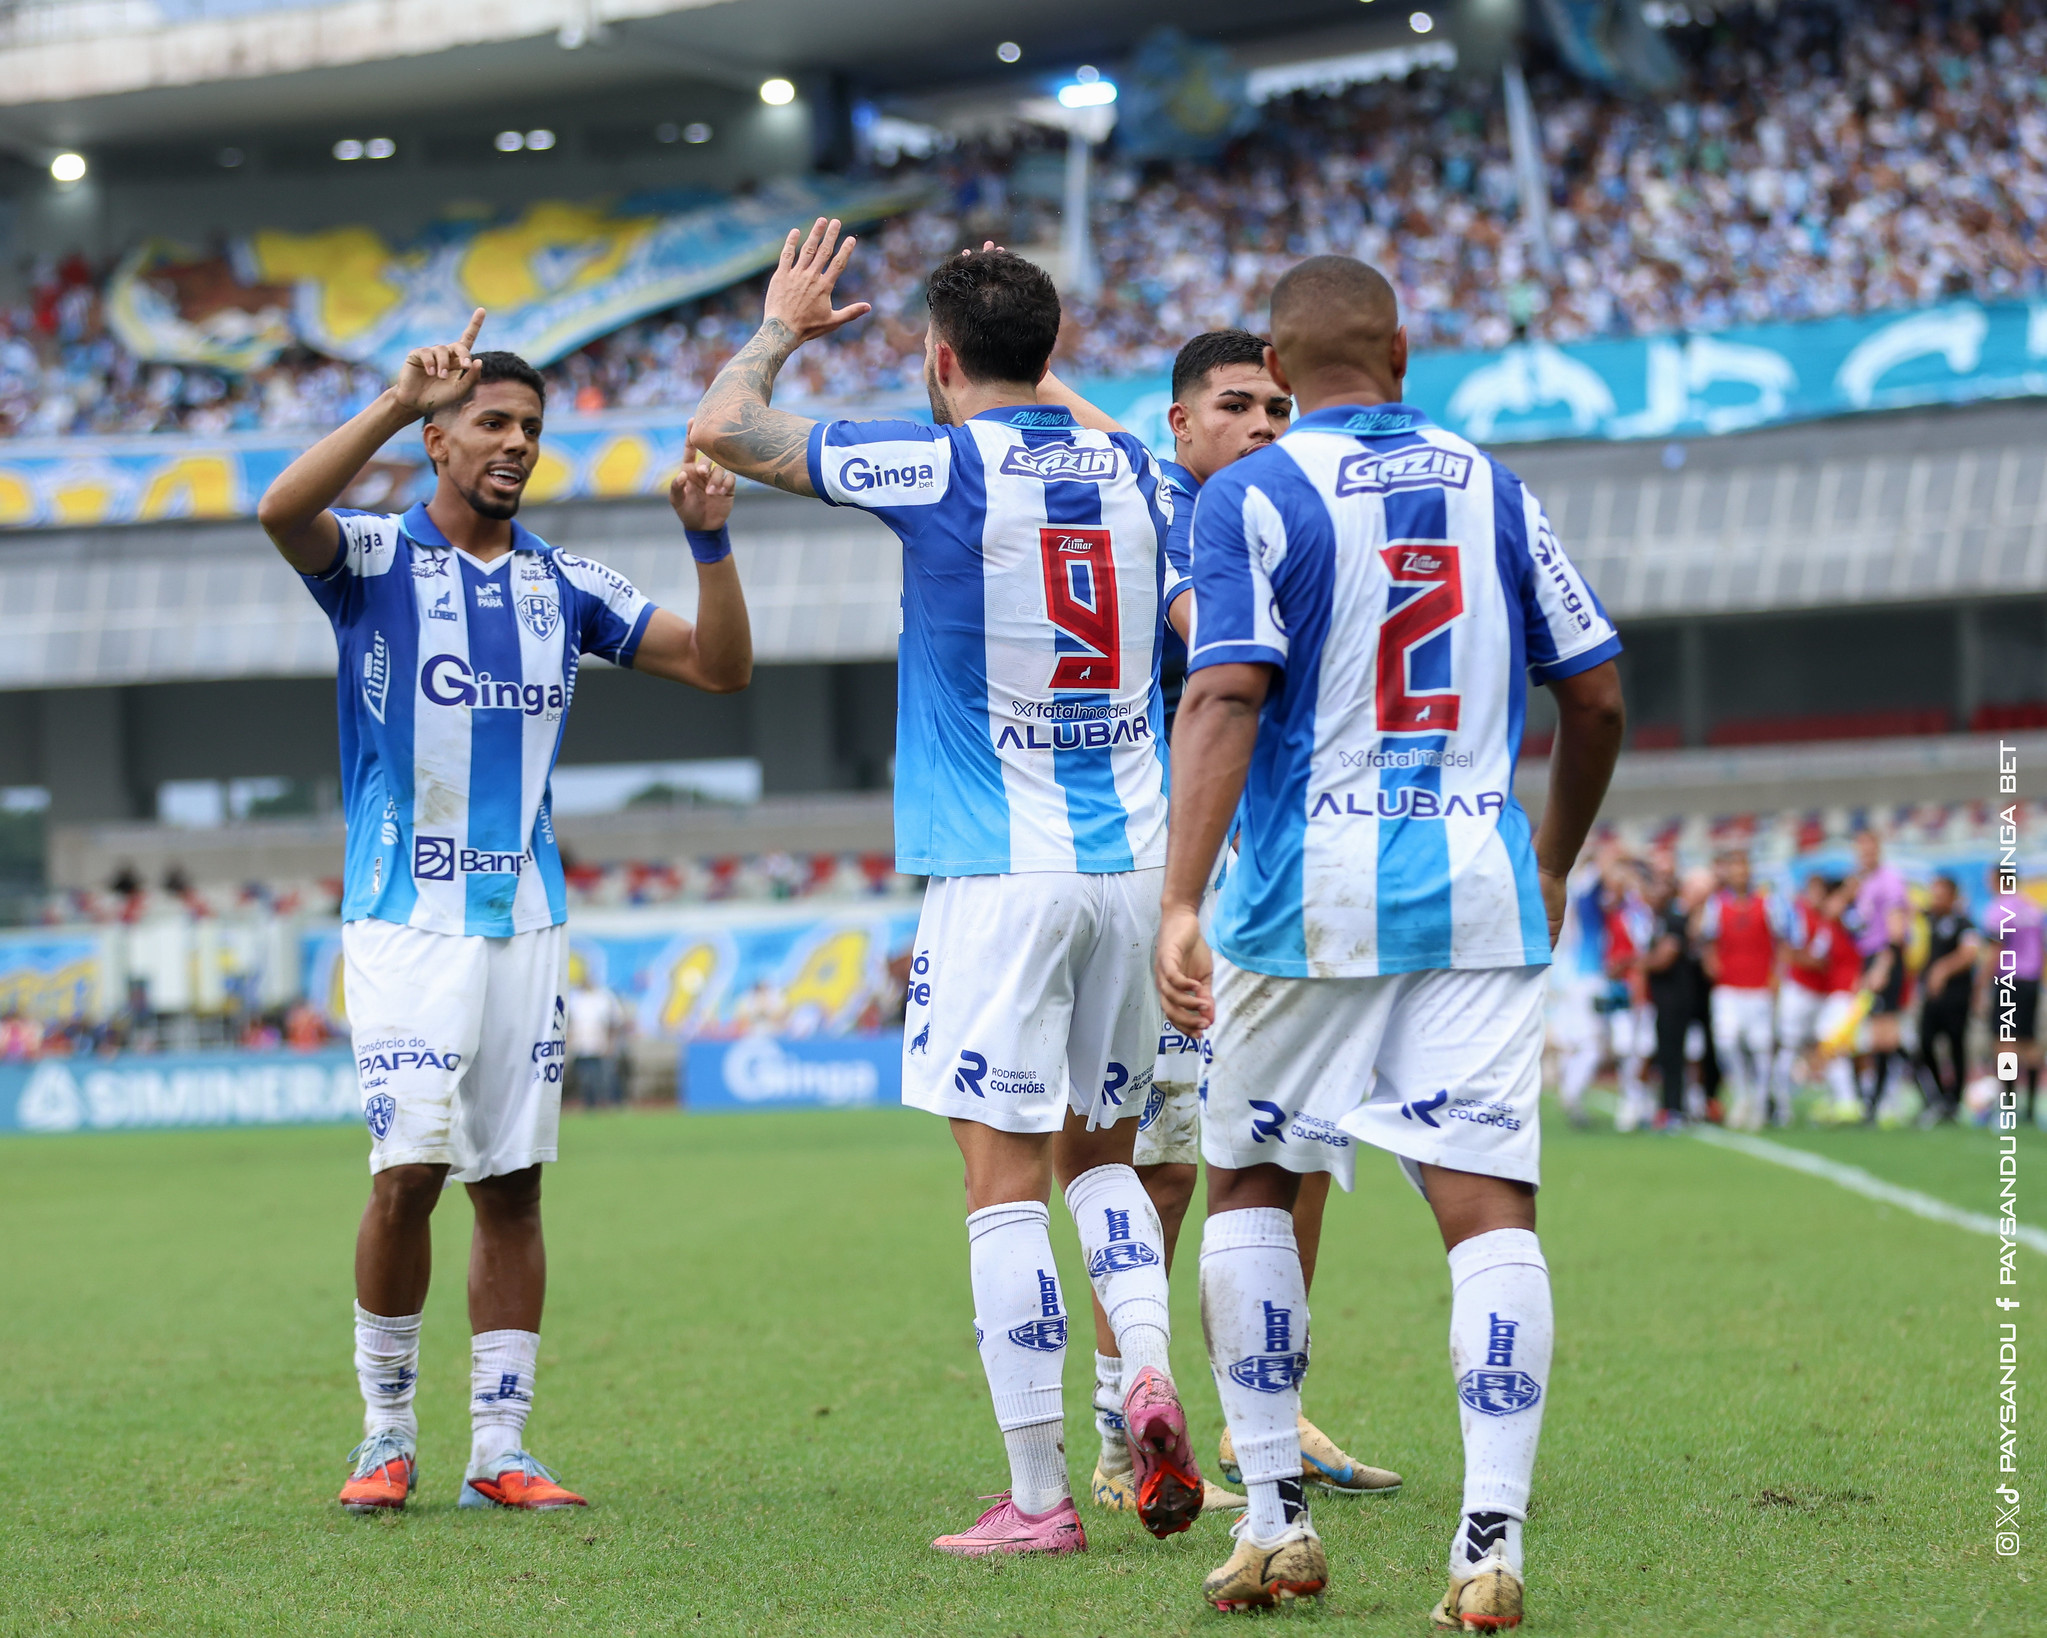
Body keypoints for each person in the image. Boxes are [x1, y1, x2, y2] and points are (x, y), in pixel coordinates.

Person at [693, 223, 1200, 1554]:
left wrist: (782, 327)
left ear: (935, 358)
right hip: (1133, 871)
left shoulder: (936, 455)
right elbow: (1070, 413)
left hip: (996, 869)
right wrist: (1039, 363)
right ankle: (1140, 1373)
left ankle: (1036, 1498)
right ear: (1049, 353)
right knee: (1104, 1163)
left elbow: (724, 427)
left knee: (996, 1183)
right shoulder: (1139, 468)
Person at [1155, 256, 1625, 1618]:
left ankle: (1273, 1520)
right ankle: (1489, 1545)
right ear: (1405, 351)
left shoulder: (1251, 490)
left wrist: (1181, 898)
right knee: (1483, 1206)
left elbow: (1225, 690)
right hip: (1474, 891)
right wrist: (1541, 857)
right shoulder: (1493, 486)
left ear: (1282, 378)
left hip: (1299, 900)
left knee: (1246, 1181)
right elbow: (1591, 699)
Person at [257, 310, 753, 1514]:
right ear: (437, 441)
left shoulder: (564, 584)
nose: (516, 443)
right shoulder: (372, 559)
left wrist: (709, 545)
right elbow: (280, 512)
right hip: (403, 915)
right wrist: (389, 400)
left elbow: (724, 668)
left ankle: (499, 1449)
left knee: (514, 1185)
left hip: (525, 916)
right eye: (491, 422)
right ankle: (383, 1435)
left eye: (529, 427)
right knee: (409, 1173)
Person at [1046, 331, 1398, 1512]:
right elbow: (1105, 430)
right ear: (1179, 427)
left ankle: (1270, 1407)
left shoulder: (1295, 519)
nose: (1261, 424)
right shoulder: (1164, 503)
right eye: (1235, 406)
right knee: (1161, 1167)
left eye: (1280, 407)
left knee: (1296, 1151)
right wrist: (1019, 348)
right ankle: (1116, 1424)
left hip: (1290, 875)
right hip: (1173, 873)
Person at [1697, 849, 1781, 1130]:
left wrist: (1778, 975)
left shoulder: (1767, 904)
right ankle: (1742, 1091)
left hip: (1758, 986)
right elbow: (1706, 939)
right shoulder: (1716, 905)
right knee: (1727, 1040)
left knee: (1760, 1047)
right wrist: (1711, 962)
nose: (1739, 873)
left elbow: (1782, 941)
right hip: (1729, 987)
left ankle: (1758, 1100)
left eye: (1743, 867)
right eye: (1734, 868)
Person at [1844, 829, 1912, 1120]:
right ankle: (1881, 1100)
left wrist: (1883, 965)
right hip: (1872, 957)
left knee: (1886, 1035)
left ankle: (1886, 1101)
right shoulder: (1865, 883)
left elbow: (1895, 931)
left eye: (1869, 850)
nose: (1865, 855)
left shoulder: (1889, 880)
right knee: (1879, 1036)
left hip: (1886, 957)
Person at [1983, 865, 2043, 1126]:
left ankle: (2008, 1107)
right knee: (2029, 1043)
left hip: (2008, 980)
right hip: (2031, 980)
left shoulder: (1999, 909)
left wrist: (1980, 985)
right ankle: (2030, 1109)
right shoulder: (2034, 909)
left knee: (2004, 1043)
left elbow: (1995, 950)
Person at [1915, 874, 1977, 1123]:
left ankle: (1954, 1101)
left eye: (1941, 894)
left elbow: (1970, 953)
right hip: (1931, 998)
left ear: (1952, 896)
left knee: (1955, 1045)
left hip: (1956, 997)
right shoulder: (1925, 920)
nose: (1936, 898)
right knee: (1924, 1044)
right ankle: (1938, 1095)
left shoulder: (1964, 923)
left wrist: (1942, 969)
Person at [1772, 871, 1834, 1119]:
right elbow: (1788, 950)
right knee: (1788, 1045)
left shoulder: (1828, 918)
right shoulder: (1800, 914)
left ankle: (1832, 1100)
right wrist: (1812, 962)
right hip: (1799, 989)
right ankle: (1780, 1103)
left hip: (1822, 992)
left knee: (1823, 1047)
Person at [1642, 870, 1699, 1131]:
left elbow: (1665, 958)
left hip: (1675, 999)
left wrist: (1633, 962)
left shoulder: (1674, 919)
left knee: (1673, 1055)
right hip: (1665, 999)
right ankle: (1669, 1106)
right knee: (1667, 1056)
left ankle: (1675, 1109)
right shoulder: (1659, 919)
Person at [564, 972, 629, 1108]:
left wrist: (611, 1043)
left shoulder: (604, 997)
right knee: (585, 1078)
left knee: (606, 1077)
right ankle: (590, 1105)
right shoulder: (574, 997)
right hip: (581, 1045)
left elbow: (615, 1021)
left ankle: (613, 1104)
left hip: (601, 1044)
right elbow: (568, 1022)